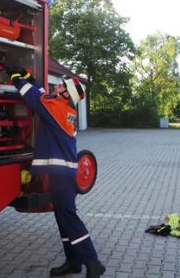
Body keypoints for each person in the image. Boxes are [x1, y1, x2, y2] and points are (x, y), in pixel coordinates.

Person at [8, 67, 106, 278]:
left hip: (61, 175)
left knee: (68, 216)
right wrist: (30, 78)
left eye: (61, 86)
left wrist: (16, 77)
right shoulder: (63, 108)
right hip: (63, 173)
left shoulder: (56, 108)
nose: (56, 86)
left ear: (65, 94)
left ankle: (92, 262)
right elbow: (43, 93)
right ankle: (73, 262)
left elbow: (33, 97)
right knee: (62, 216)